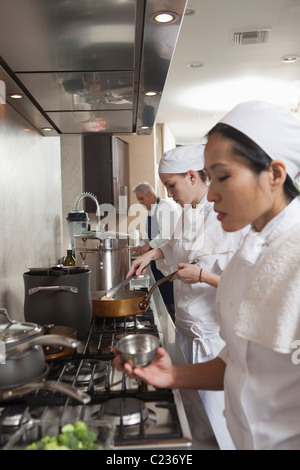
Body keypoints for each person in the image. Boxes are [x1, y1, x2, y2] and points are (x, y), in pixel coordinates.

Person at [114, 100, 300, 450]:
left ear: (274, 175)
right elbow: (239, 361)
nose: (210, 194)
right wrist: (173, 375)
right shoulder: (252, 252)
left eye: (223, 177)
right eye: (210, 178)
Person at [127, 146, 249, 449]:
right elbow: (174, 247)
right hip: (185, 331)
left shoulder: (229, 219)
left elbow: (247, 286)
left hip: (213, 341)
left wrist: (202, 276)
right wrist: (153, 254)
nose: (168, 194)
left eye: (171, 185)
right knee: (193, 418)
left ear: (192, 176)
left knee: (216, 424)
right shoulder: (187, 213)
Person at [131, 182, 181, 318]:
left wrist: (148, 246)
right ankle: (167, 317)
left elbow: (166, 234)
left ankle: (171, 321)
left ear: (151, 195)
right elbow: (149, 236)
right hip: (156, 262)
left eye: (141, 198)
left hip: (167, 263)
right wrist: (141, 245)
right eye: (138, 200)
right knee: (162, 296)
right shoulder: (150, 212)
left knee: (170, 298)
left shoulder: (166, 208)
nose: (140, 202)